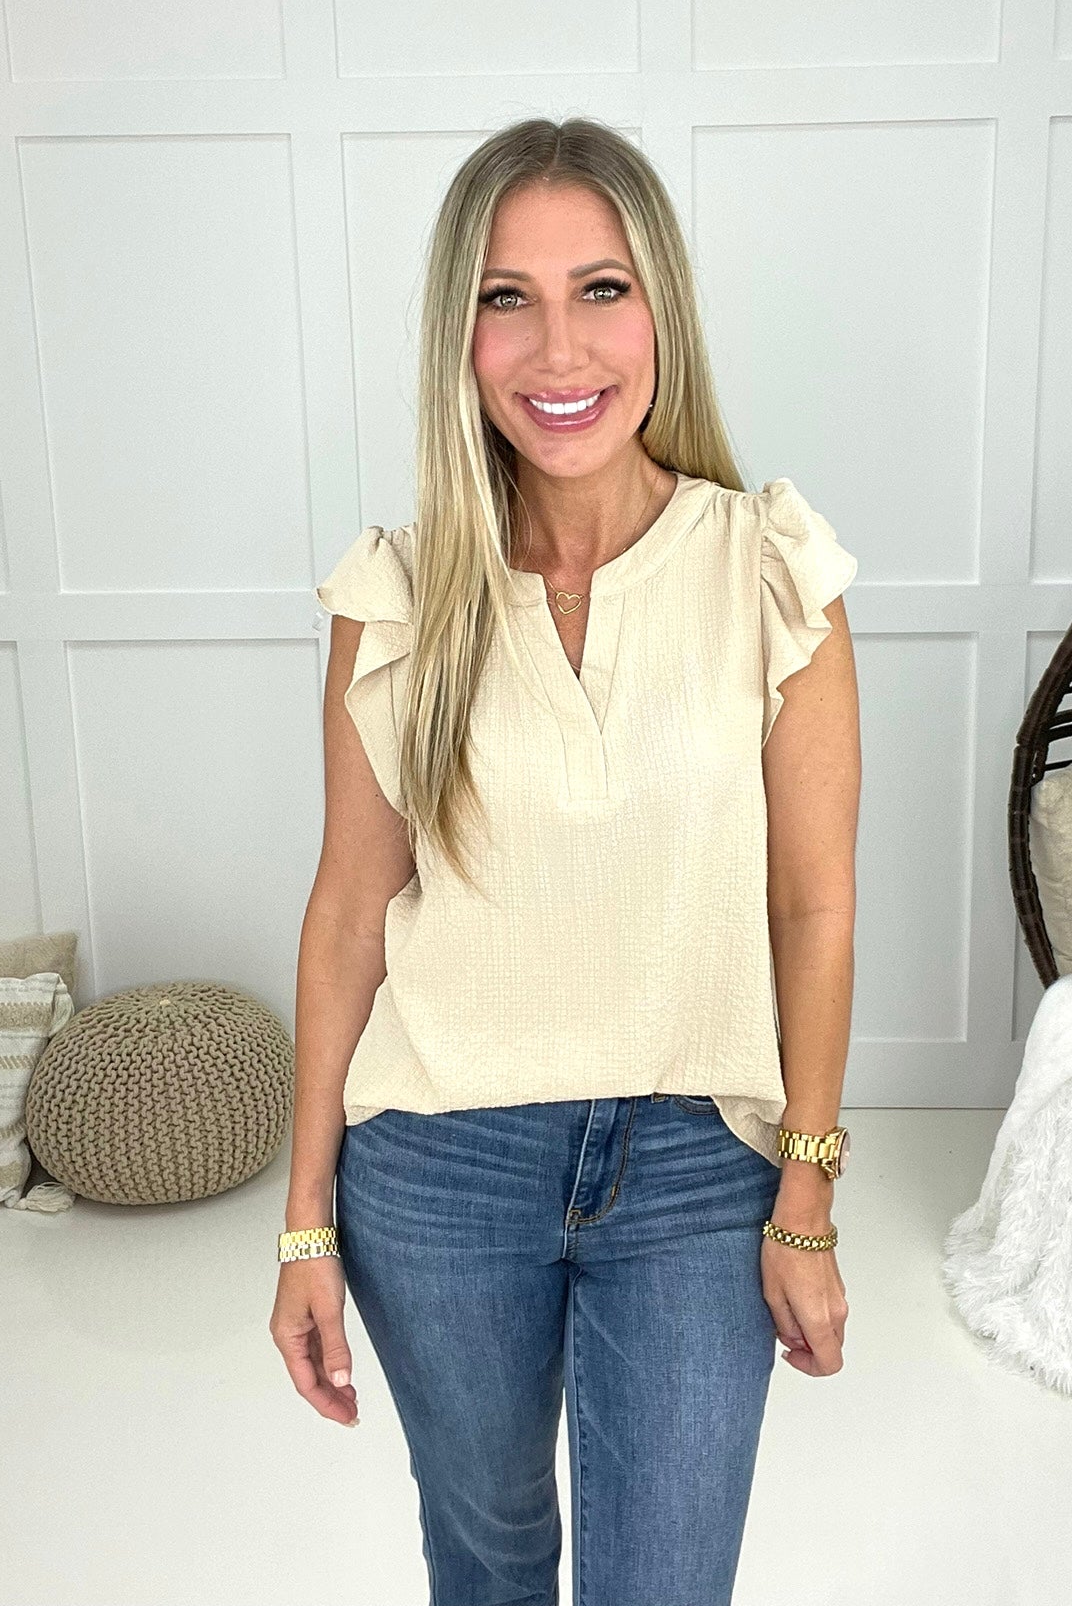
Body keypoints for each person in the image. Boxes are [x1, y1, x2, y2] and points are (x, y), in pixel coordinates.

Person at [270, 116, 860, 1605]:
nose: (557, 349)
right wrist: (304, 1224)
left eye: (601, 289)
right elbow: (349, 914)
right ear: (457, 336)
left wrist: (805, 1192)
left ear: (661, 310)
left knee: (665, 1582)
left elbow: (813, 905)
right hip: (437, 1169)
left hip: (696, 1166)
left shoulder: (768, 568)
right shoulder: (400, 596)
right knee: (490, 1554)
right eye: (505, 298)